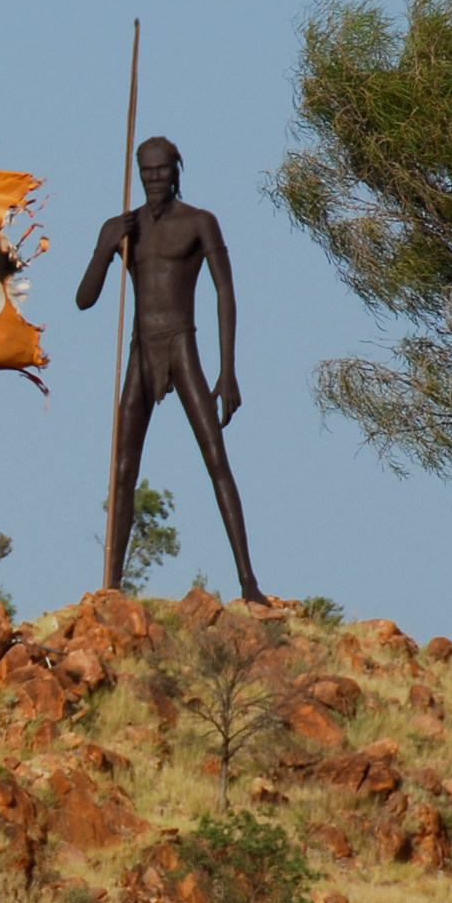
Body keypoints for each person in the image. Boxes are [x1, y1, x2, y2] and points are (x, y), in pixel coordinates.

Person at [76, 135, 265, 602]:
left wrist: (228, 371)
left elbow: (225, 293)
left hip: (181, 343)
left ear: (176, 170)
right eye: (146, 173)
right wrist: (104, 247)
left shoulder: (200, 223)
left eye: (161, 171)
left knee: (216, 458)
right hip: (142, 349)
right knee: (122, 469)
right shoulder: (124, 228)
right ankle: (112, 587)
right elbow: (84, 300)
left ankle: (248, 582)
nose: (154, 180)